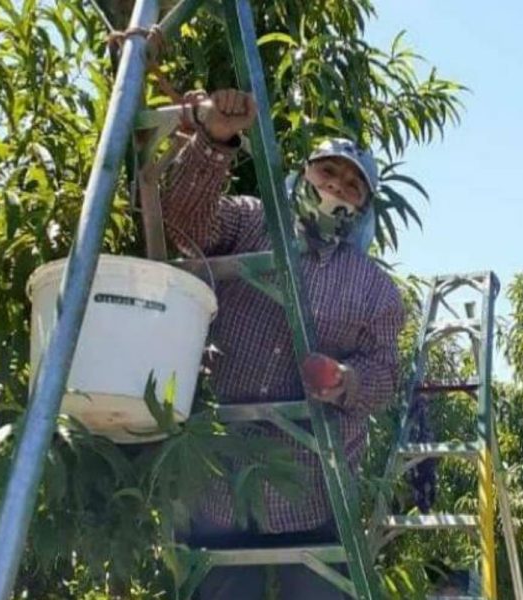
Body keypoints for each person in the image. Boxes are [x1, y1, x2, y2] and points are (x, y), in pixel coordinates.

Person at [160, 88, 405, 599]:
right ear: (303, 174)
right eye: (327, 173)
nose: (336, 188)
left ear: (363, 208)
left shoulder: (375, 289)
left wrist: (346, 381)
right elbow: (183, 227)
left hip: (312, 492)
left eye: (352, 187)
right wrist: (214, 141)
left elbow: (385, 376)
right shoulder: (252, 221)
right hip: (219, 484)